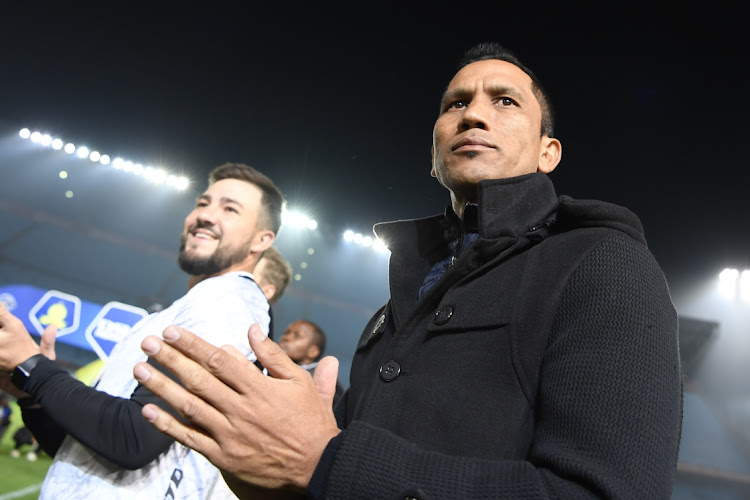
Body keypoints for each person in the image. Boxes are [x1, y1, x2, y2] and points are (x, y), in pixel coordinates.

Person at [133, 42, 683, 499]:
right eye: (455, 103)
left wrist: (328, 461)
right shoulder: (398, 305)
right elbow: (319, 473)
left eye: (505, 101)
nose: (473, 113)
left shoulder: (601, 263)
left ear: (548, 153)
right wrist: (264, 469)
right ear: (435, 149)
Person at [0, 162, 284, 499]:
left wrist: (35, 368)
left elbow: (134, 439)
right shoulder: (192, 306)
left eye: (230, 209)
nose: (205, 215)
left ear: (262, 239)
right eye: (203, 203)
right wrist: (32, 394)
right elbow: (84, 452)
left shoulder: (228, 302)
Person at [278, 320, 344, 408]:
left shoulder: (323, 379)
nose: (286, 338)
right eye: (286, 333)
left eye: (297, 336)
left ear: (312, 352)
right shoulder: (272, 368)